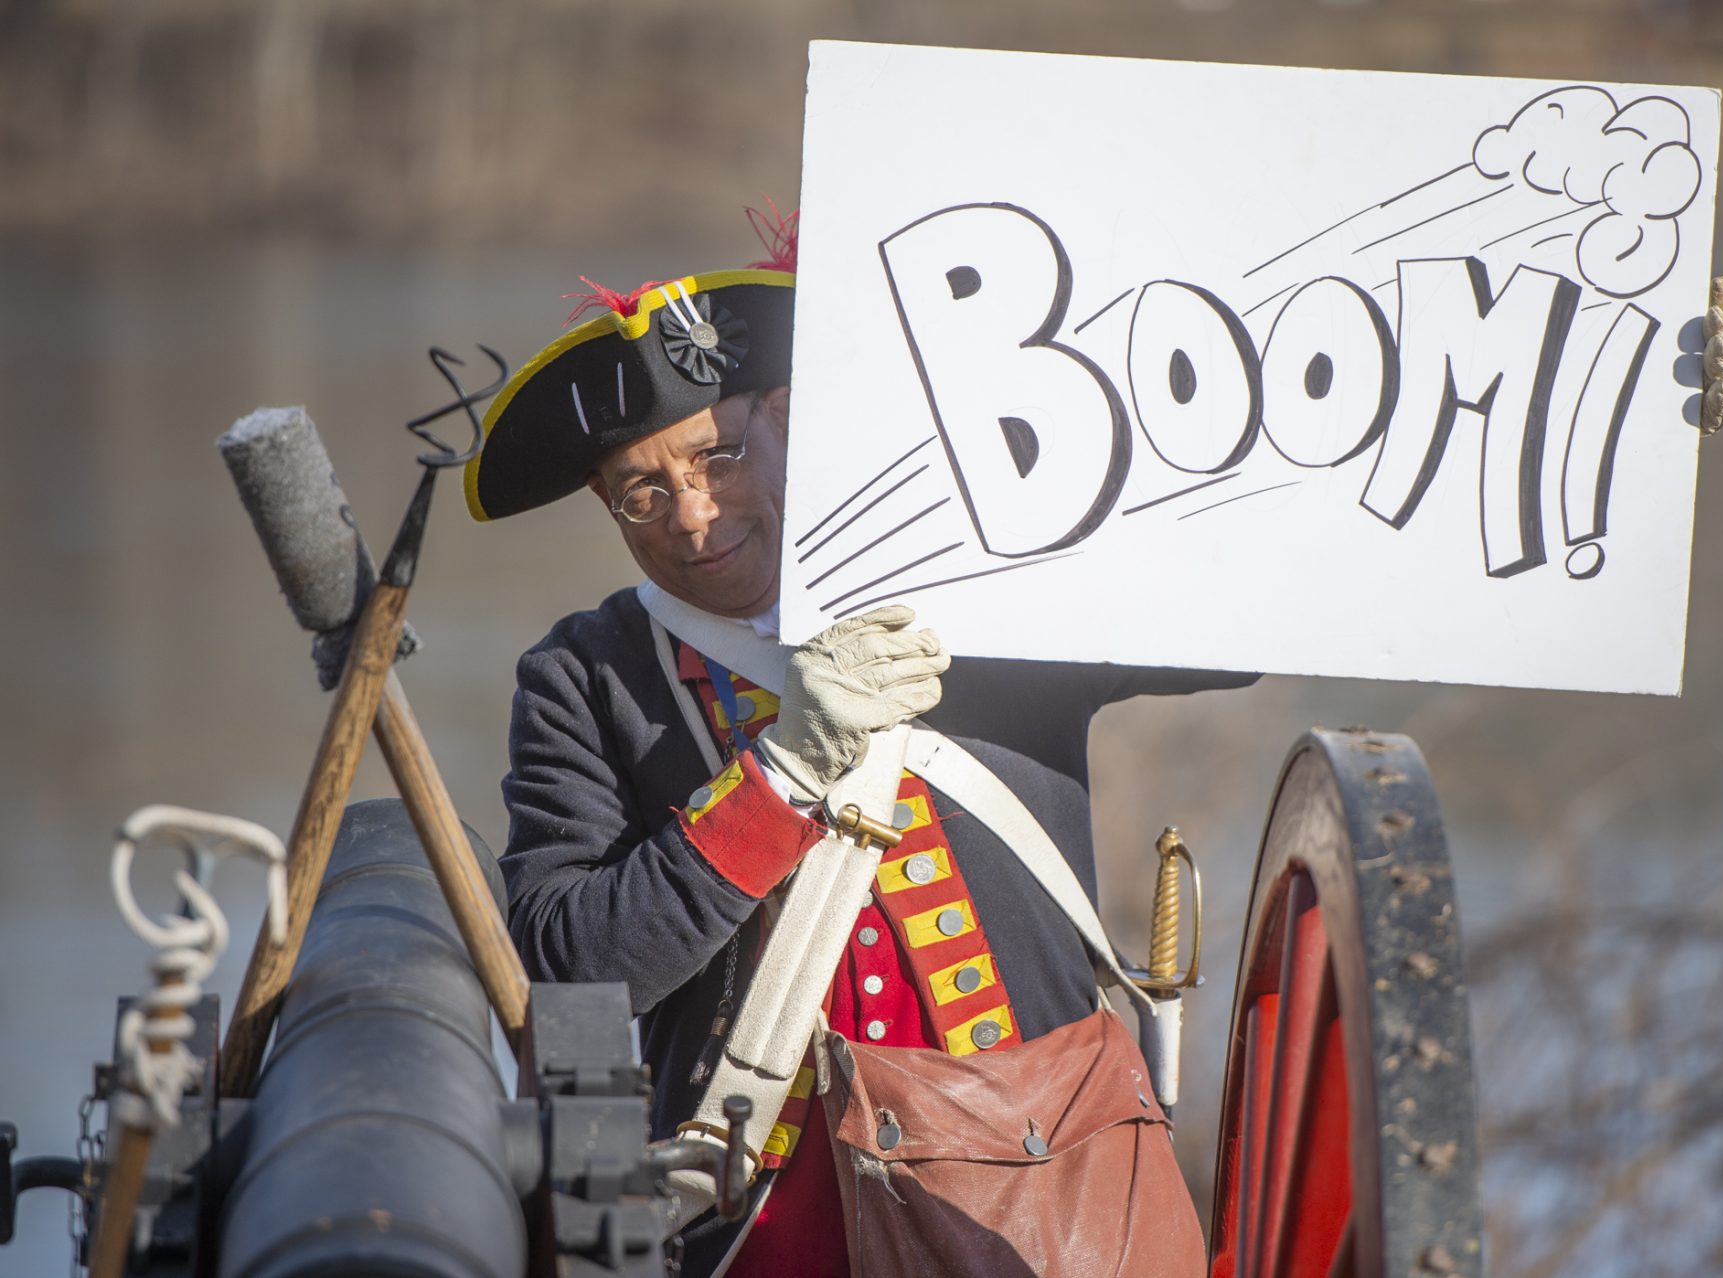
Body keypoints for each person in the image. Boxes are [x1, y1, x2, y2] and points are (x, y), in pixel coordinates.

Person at [465, 216, 1249, 1277]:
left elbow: (1248, 619)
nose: (693, 517)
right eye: (642, 492)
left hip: (1047, 1170)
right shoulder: (585, 673)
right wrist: (780, 779)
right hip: (771, 1209)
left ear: (784, 416)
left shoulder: (991, 562)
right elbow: (572, 963)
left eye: (718, 457)